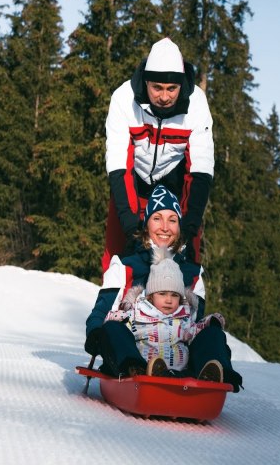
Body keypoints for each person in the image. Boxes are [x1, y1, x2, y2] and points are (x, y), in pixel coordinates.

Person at [86, 185, 242, 392]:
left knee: (213, 334)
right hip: (134, 351)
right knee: (111, 328)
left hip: (179, 360)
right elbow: (101, 312)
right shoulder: (124, 265)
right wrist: (97, 334)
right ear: (147, 223)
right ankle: (136, 370)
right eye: (157, 218)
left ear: (179, 225)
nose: (165, 227)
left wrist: (210, 330)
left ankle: (213, 376)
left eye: (172, 220)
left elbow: (193, 326)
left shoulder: (192, 273)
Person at [102, 37, 214, 271]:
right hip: (133, 181)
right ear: (146, 82)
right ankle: (114, 301)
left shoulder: (197, 104)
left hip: (174, 187)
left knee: (186, 255)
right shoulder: (123, 99)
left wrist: (189, 228)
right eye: (157, 88)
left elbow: (200, 170)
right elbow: (119, 166)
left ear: (181, 85)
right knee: (118, 253)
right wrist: (132, 229)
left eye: (172, 89)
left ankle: (187, 302)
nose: (164, 97)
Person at [104, 246, 226, 379]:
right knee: (113, 329)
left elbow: (196, 331)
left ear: (180, 298)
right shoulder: (137, 313)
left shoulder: (184, 318)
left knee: (213, 334)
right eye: (162, 294)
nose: (169, 300)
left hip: (180, 374)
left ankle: (207, 378)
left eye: (174, 295)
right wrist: (117, 317)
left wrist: (210, 322)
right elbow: (116, 328)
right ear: (151, 296)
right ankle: (133, 368)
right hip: (144, 371)